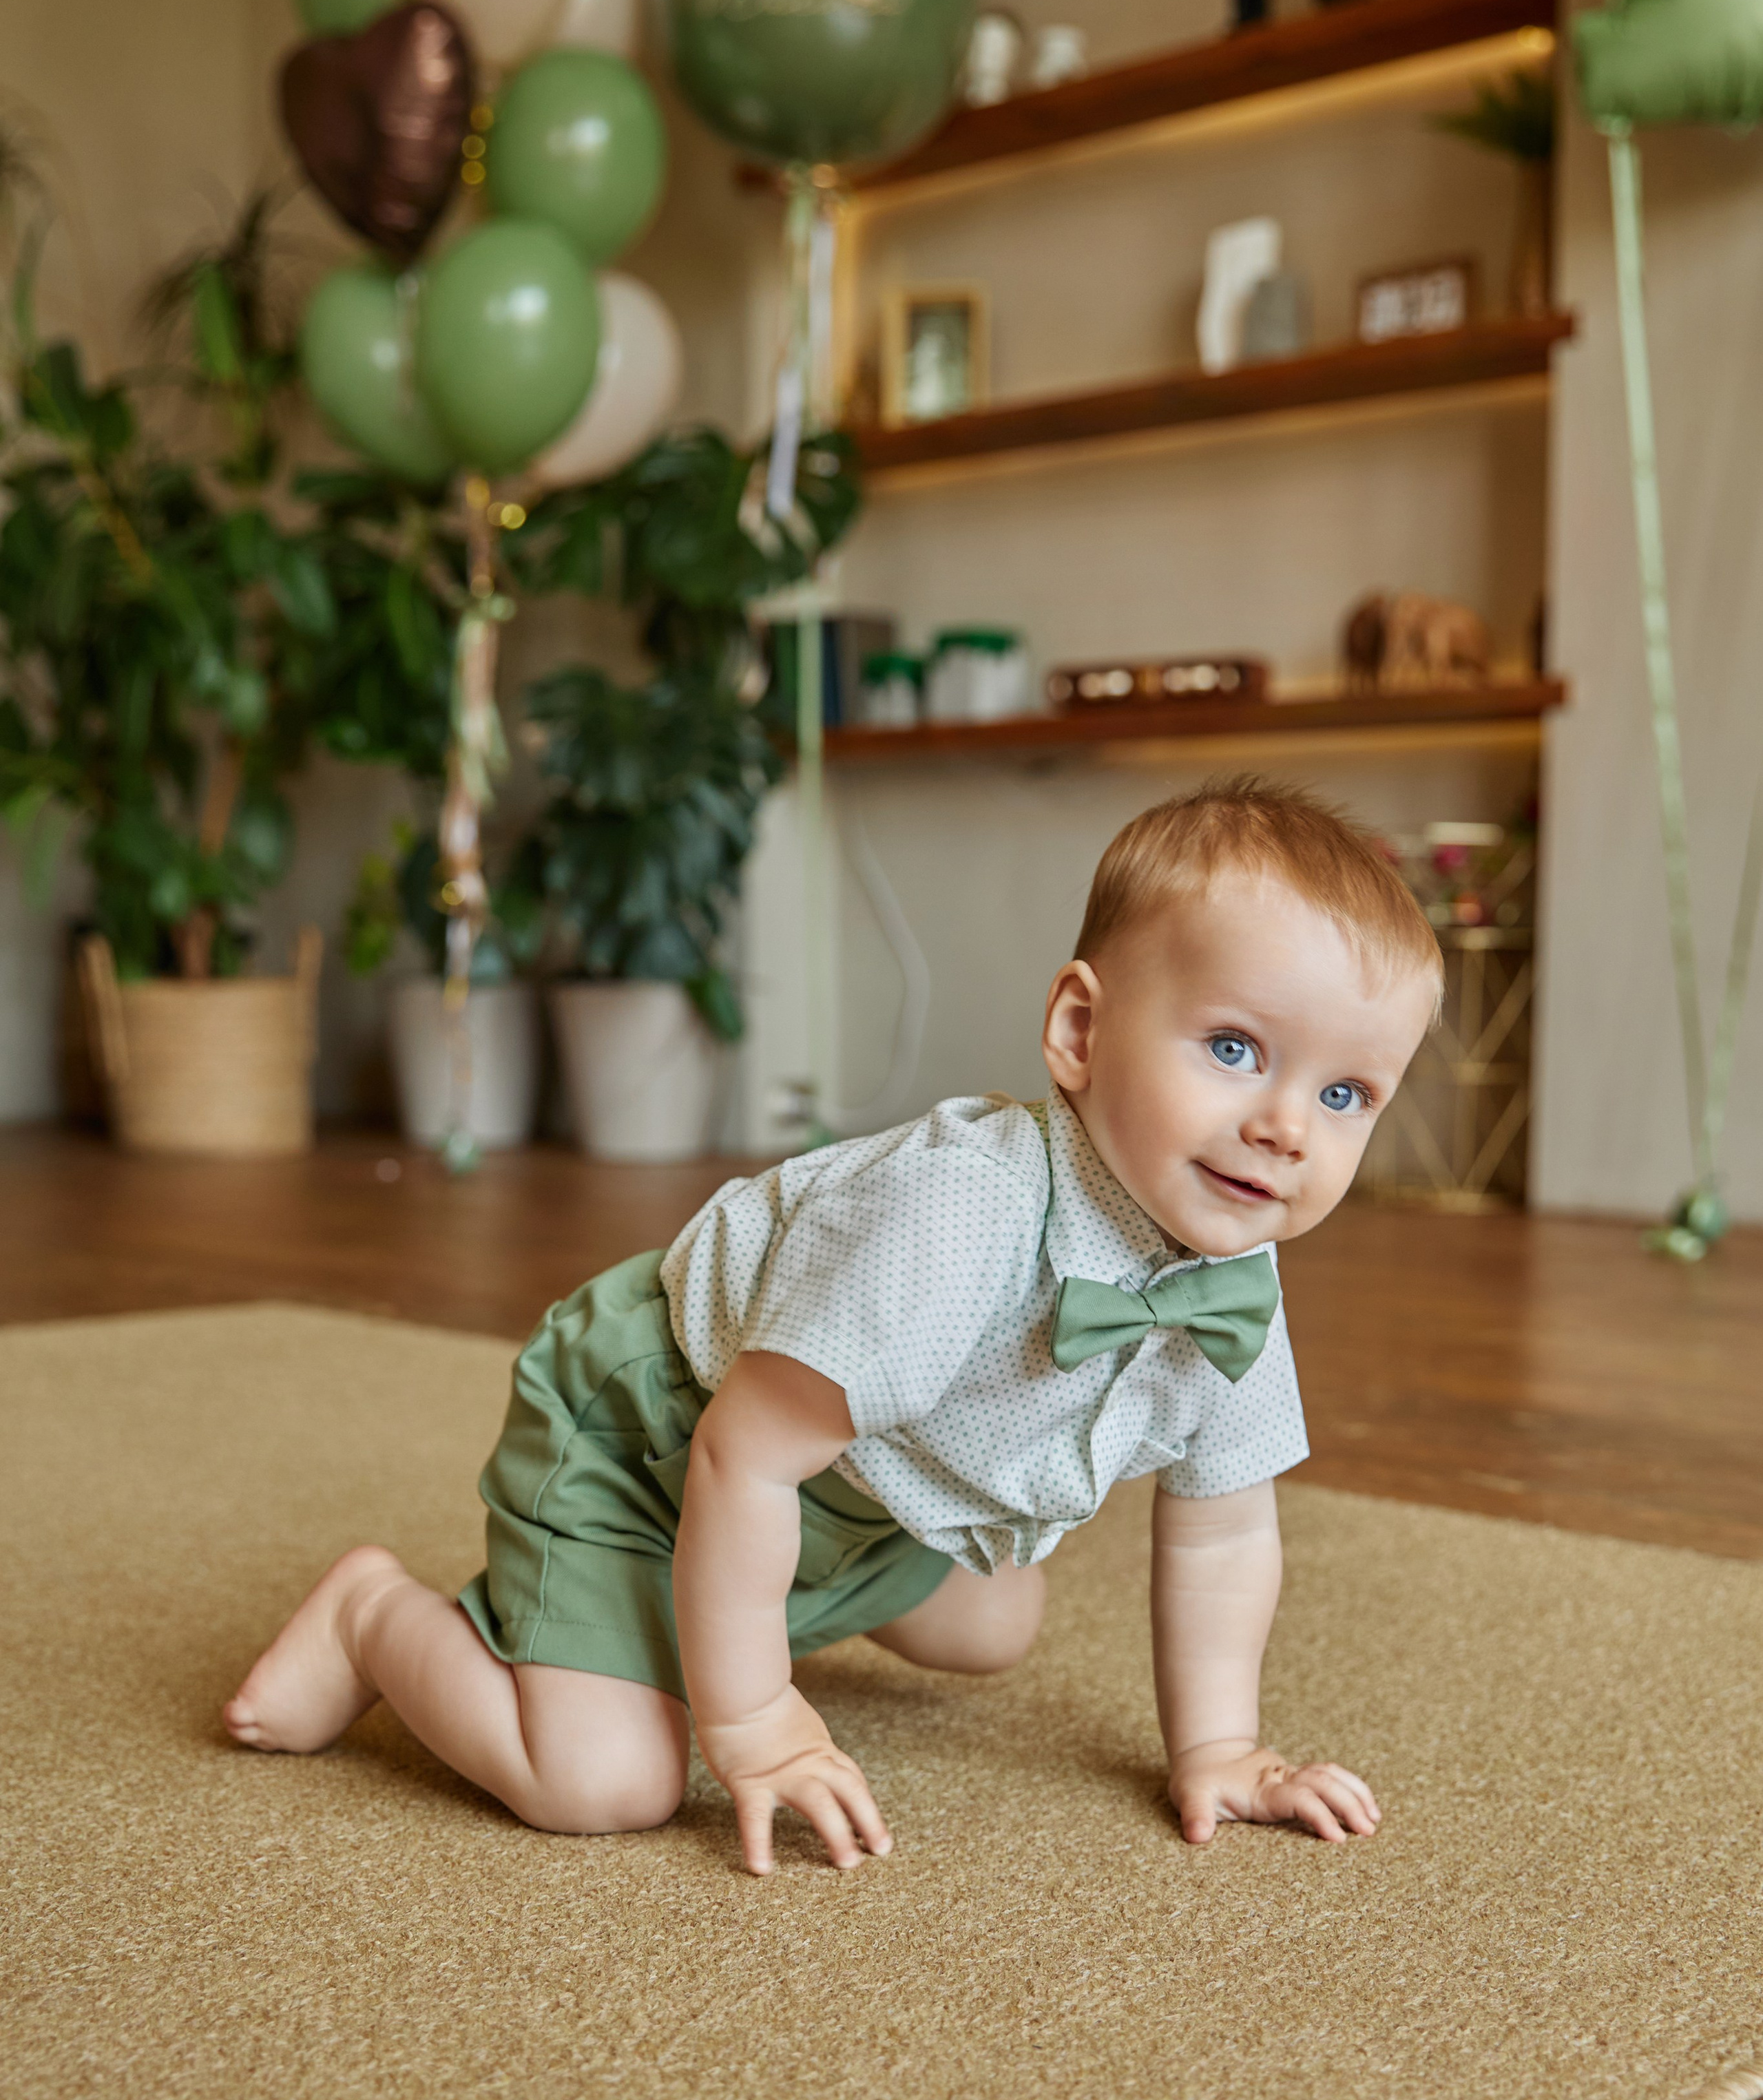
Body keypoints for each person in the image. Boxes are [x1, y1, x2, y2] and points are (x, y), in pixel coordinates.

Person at [227, 777, 1442, 1876]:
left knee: (992, 1623)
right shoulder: (956, 1213)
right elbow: (741, 1454)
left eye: (1345, 1095)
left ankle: (737, 1605)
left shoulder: (1230, 1268)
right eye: (1236, 1049)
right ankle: (374, 1618)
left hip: (855, 1477)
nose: (1289, 1126)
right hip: (660, 1433)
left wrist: (1223, 1749)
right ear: (1078, 1032)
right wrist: (755, 1726)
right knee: (605, 1785)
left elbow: (1224, 1534)